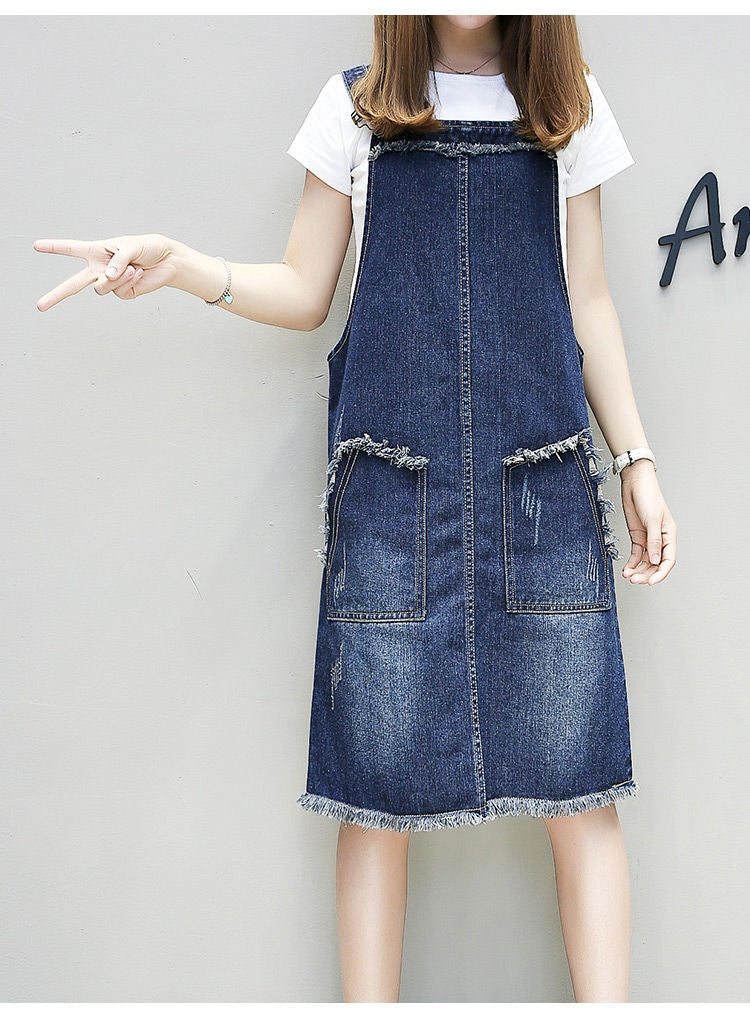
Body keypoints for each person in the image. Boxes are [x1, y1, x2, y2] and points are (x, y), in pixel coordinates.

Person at [33, 14, 677, 1005]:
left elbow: (588, 301)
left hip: (541, 496)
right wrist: (181, 267)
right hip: (394, 502)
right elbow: (304, 289)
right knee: (375, 793)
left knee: (578, 780)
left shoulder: (569, 105)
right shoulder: (355, 108)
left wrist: (636, 459)